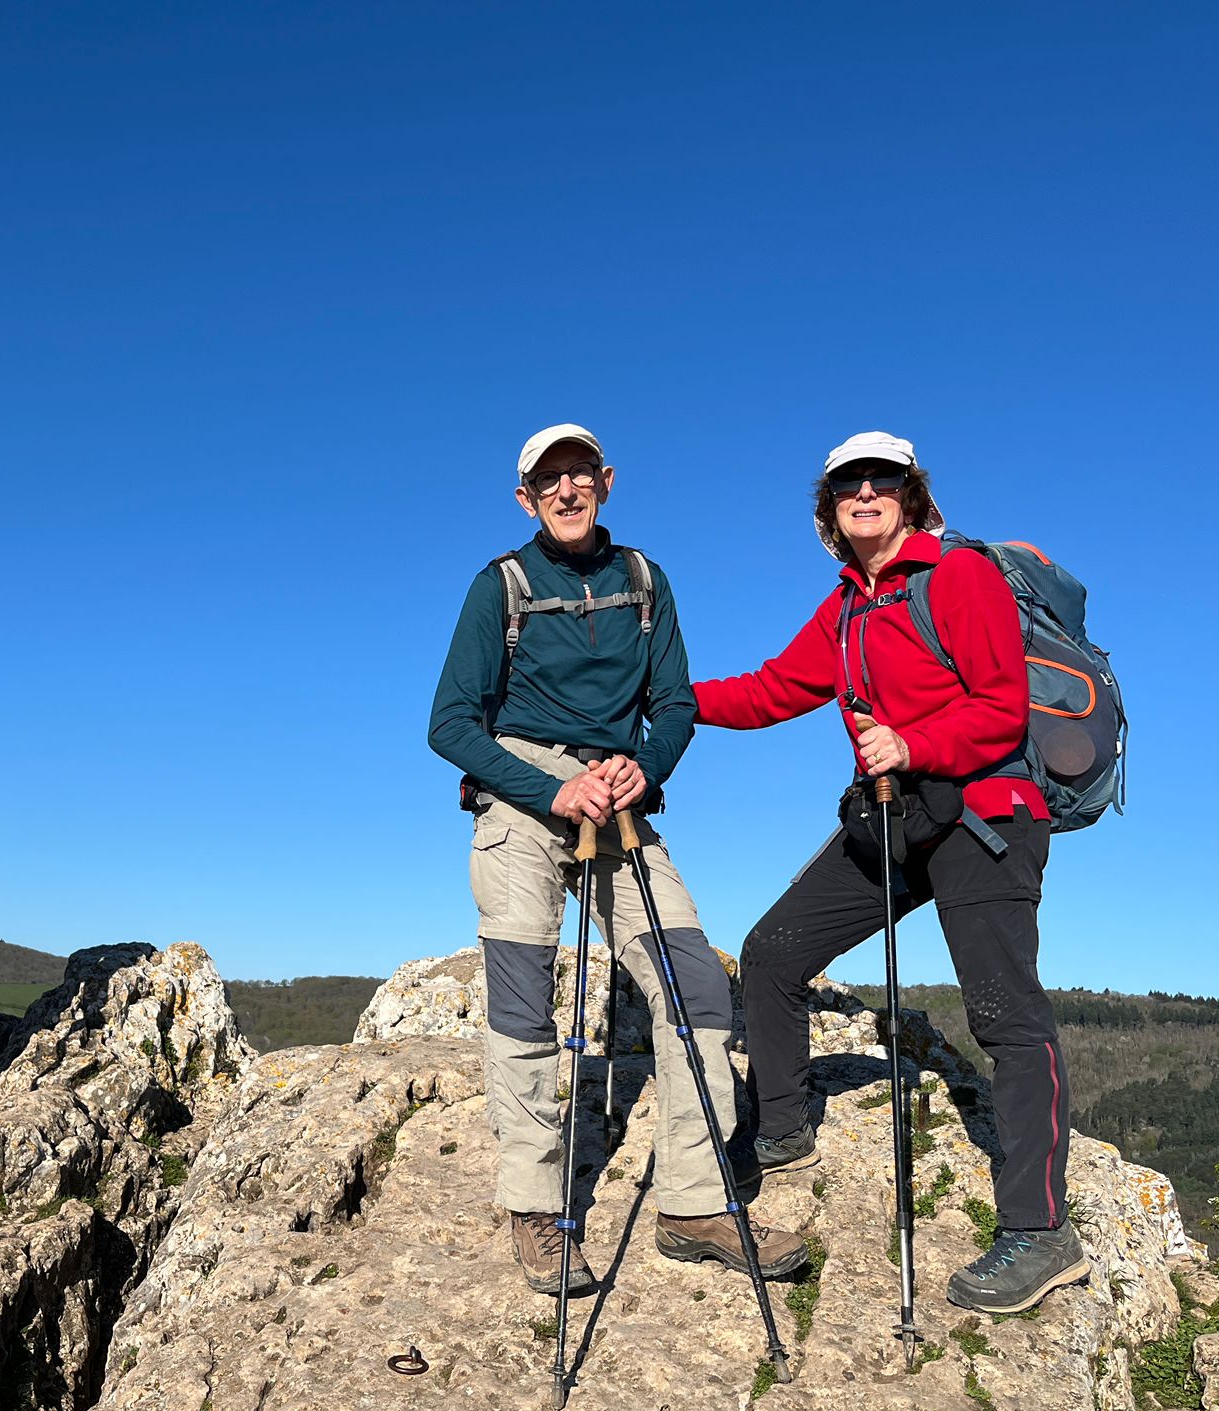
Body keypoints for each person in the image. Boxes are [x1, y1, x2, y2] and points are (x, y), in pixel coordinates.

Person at [693, 430, 1087, 1314]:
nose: (864, 493)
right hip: (896, 816)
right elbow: (770, 691)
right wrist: (669, 699)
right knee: (773, 952)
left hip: (985, 816)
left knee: (1006, 1016)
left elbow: (1002, 708)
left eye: (883, 480)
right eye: (847, 485)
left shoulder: (959, 576)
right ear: (830, 510)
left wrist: (912, 743)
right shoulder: (846, 608)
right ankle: (782, 1129)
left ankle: (1041, 1231)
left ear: (911, 495)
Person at [428, 423, 807, 1297]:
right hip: (523, 796)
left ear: (606, 482)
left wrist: (647, 765)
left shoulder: (644, 581)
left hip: (619, 795)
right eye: (547, 481)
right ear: (526, 499)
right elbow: (449, 724)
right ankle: (535, 1209)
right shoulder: (501, 586)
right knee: (523, 1002)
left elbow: (672, 705)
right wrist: (549, 789)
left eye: (579, 475)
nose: (565, 491)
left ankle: (695, 1205)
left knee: (695, 986)